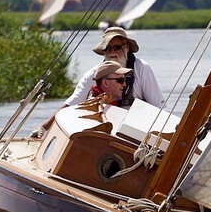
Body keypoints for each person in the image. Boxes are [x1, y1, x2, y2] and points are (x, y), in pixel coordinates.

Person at [31, 27, 163, 138]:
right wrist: (43, 128)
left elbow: (158, 108)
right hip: (104, 134)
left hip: (137, 133)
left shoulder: (142, 68)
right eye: (107, 48)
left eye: (117, 47)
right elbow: (70, 105)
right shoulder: (92, 75)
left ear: (127, 47)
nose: (112, 52)